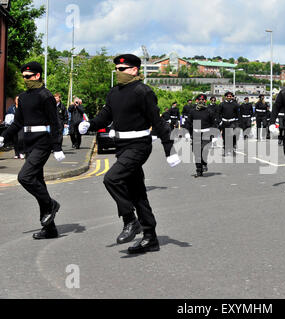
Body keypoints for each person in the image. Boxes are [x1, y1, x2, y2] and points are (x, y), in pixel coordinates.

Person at [78, 54, 181, 254]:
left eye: (122, 69)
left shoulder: (143, 92)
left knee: (111, 179)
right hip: (122, 146)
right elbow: (105, 115)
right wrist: (90, 124)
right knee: (137, 192)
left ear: (134, 70)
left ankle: (130, 220)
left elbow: (157, 121)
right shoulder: (114, 92)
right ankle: (150, 238)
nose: (118, 72)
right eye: (116, 69)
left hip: (139, 145)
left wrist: (170, 149)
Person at [0, 61, 66, 239]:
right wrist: (3, 137)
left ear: (37, 75)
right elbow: (18, 123)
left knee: (25, 177)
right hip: (28, 143)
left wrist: (57, 146)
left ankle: (51, 204)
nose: (25, 80)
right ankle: (50, 229)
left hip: (42, 143)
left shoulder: (46, 96)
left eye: (28, 76)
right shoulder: (23, 97)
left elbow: (55, 123)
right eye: (23, 77)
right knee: (39, 183)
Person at [185, 94, 217, 177]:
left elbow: (214, 124)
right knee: (196, 152)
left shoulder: (209, 111)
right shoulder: (192, 111)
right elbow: (188, 123)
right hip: (196, 133)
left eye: (203, 100)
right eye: (199, 100)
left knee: (204, 149)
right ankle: (199, 171)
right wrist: (186, 133)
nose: (201, 101)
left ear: (205, 101)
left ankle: (204, 163)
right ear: (196, 101)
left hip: (206, 133)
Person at [218, 91, 240, 156]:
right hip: (224, 122)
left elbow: (238, 113)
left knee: (233, 135)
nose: (229, 97)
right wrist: (220, 121)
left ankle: (233, 147)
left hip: (232, 122)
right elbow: (218, 113)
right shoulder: (222, 104)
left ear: (232, 97)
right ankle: (225, 150)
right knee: (225, 137)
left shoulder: (235, 104)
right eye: (228, 96)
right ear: (225, 97)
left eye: (230, 96)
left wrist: (237, 122)